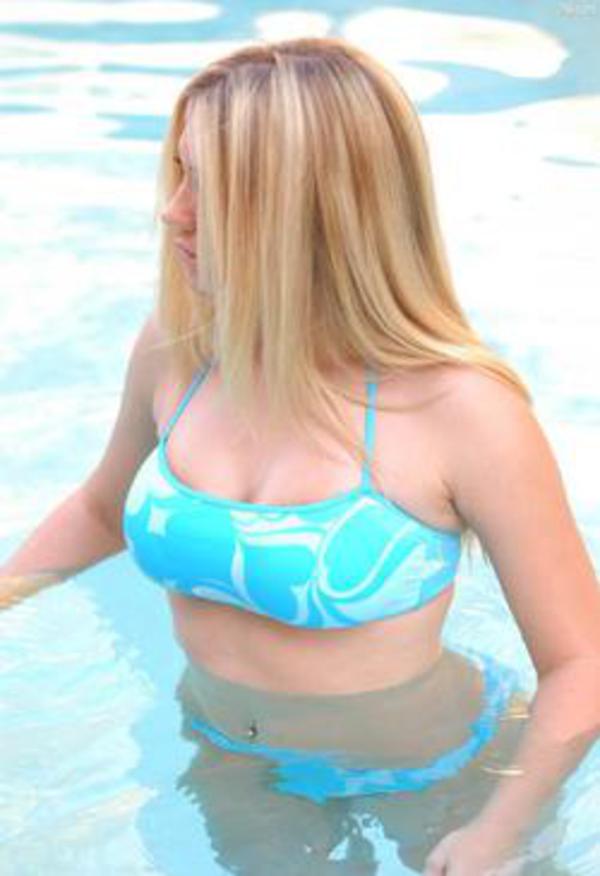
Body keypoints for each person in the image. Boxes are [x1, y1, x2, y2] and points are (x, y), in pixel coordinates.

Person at [2, 36, 599, 875]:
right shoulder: (180, 351)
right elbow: (101, 510)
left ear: (306, 209)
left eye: (209, 187)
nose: (172, 211)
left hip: (444, 772)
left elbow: (582, 663)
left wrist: (496, 833)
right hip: (233, 758)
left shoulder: (463, 413)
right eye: (179, 173)